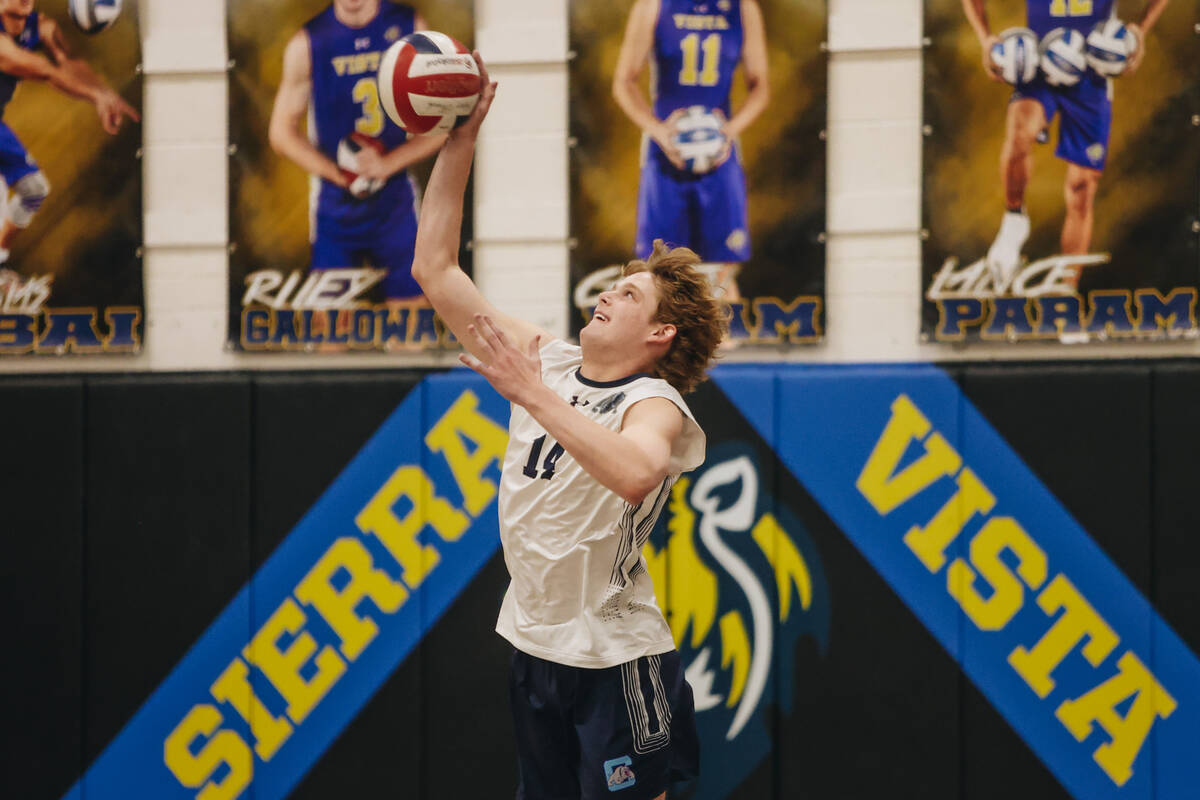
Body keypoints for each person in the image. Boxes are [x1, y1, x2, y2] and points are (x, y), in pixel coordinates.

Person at [413, 53, 725, 800]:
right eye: (613, 286)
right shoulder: (547, 360)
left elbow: (636, 472)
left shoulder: (655, 404)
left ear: (659, 337)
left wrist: (531, 393)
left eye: (627, 295)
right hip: (535, 643)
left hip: (618, 658)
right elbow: (434, 268)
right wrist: (459, 145)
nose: (607, 296)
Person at [966, 0, 1170, 290]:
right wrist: (985, 39)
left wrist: (1141, 31)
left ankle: (1064, 292)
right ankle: (1014, 217)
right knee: (1021, 131)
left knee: (1082, 187)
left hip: (1093, 70)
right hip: (1037, 62)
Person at [269, 0, 445, 309]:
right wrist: (338, 173)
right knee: (328, 336)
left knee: (410, 329)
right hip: (334, 207)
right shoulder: (309, 41)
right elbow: (281, 134)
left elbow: (442, 125)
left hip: (395, 204)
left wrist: (387, 164)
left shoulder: (410, 28)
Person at [612, 0, 769, 303]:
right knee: (659, 278)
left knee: (723, 280)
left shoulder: (742, 7)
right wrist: (659, 131)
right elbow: (623, 82)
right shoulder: (654, 5)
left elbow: (760, 86)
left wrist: (728, 132)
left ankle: (726, 349)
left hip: (719, 156)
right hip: (666, 156)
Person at [0, 0, 137, 271]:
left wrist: (104, 92)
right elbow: (43, 71)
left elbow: (67, 64)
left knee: (34, 190)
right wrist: (95, 95)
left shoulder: (40, 27)